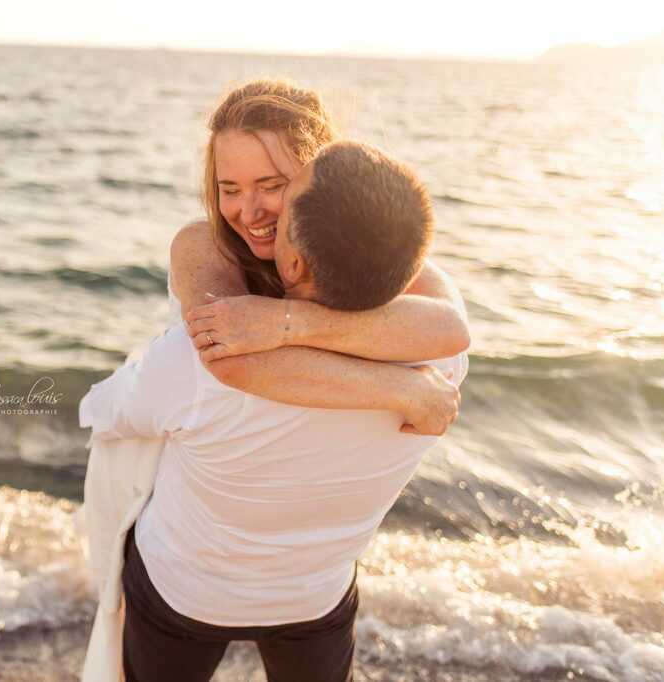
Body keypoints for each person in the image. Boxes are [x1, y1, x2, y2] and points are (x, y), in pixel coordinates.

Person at [77, 79, 469, 682]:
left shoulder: (200, 361)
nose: (247, 212)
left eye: (273, 186)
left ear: (318, 177)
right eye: (227, 188)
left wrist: (283, 320)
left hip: (190, 587)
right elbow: (451, 327)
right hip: (312, 592)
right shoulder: (436, 370)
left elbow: (137, 399)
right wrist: (402, 390)